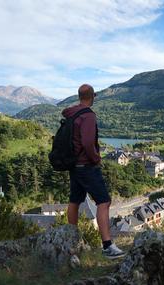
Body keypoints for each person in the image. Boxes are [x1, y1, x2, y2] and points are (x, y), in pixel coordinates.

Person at [62, 84, 125, 259]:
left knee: (74, 201)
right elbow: (88, 142)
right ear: (92, 97)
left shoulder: (71, 113)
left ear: (79, 96)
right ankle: (107, 246)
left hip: (74, 166)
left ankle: (70, 239)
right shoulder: (88, 116)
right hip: (87, 166)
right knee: (103, 202)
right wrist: (96, 159)